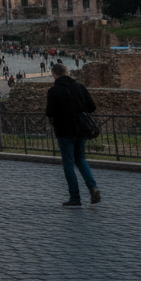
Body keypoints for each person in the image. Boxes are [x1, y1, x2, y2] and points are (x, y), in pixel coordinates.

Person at [45, 63, 101, 206]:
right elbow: (92, 107)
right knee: (81, 159)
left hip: (64, 131)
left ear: (54, 74)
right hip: (82, 129)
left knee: (68, 163)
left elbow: (50, 112)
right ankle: (93, 187)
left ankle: (75, 197)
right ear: (67, 72)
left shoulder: (54, 90)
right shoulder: (79, 87)